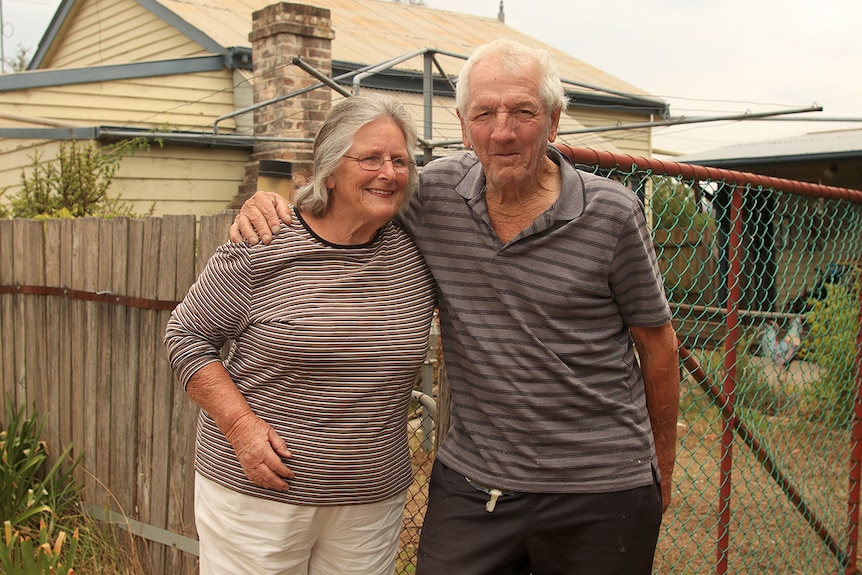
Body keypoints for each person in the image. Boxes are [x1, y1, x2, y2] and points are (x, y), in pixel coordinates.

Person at [231, 39, 680, 575]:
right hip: (474, 485)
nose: (503, 131)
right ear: (465, 127)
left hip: (602, 488)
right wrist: (272, 199)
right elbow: (353, 192)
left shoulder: (613, 213)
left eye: (523, 112)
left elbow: (658, 346)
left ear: (554, 122)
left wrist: (661, 469)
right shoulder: (431, 196)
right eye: (484, 113)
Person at [165, 93, 437, 575]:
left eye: (400, 161)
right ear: (329, 170)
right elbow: (186, 337)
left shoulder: (416, 250)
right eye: (371, 158)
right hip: (260, 498)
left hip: (370, 502)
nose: (389, 173)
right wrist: (241, 429)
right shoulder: (265, 240)